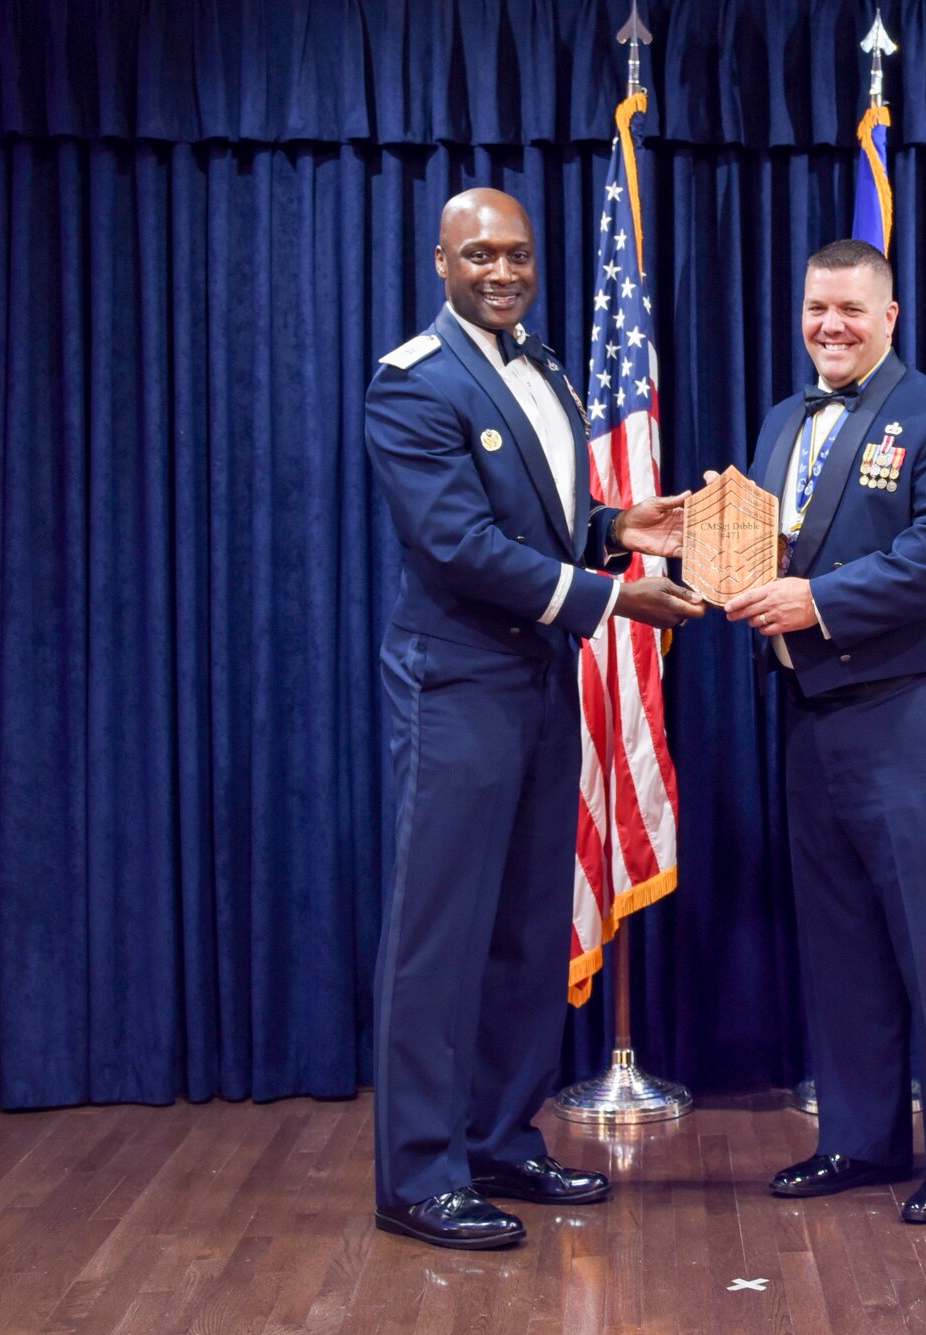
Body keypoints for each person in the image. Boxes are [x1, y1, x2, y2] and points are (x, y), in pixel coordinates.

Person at [365, 188, 703, 1249]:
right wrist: (614, 598)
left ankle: (501, 1139)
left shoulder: (548, 367)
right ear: (440, 263)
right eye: (479, 255)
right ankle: (420, 1174)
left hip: (540, 680)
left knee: (522, 929)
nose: (501, 271)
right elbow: (459, 546)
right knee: (439, 937)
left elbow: (538, 524)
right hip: (457, 684)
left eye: (515, 254)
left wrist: (616, 528)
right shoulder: (410, 385)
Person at [729, 239, 926, 1226]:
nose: (829, 326)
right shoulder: (777, 421)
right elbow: (760, 545)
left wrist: (817, 603)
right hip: (806, 715)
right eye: (814, 308)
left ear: (890, 315)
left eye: (849, 309)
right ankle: (860, 1137)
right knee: (839, 942)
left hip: (908, 712)